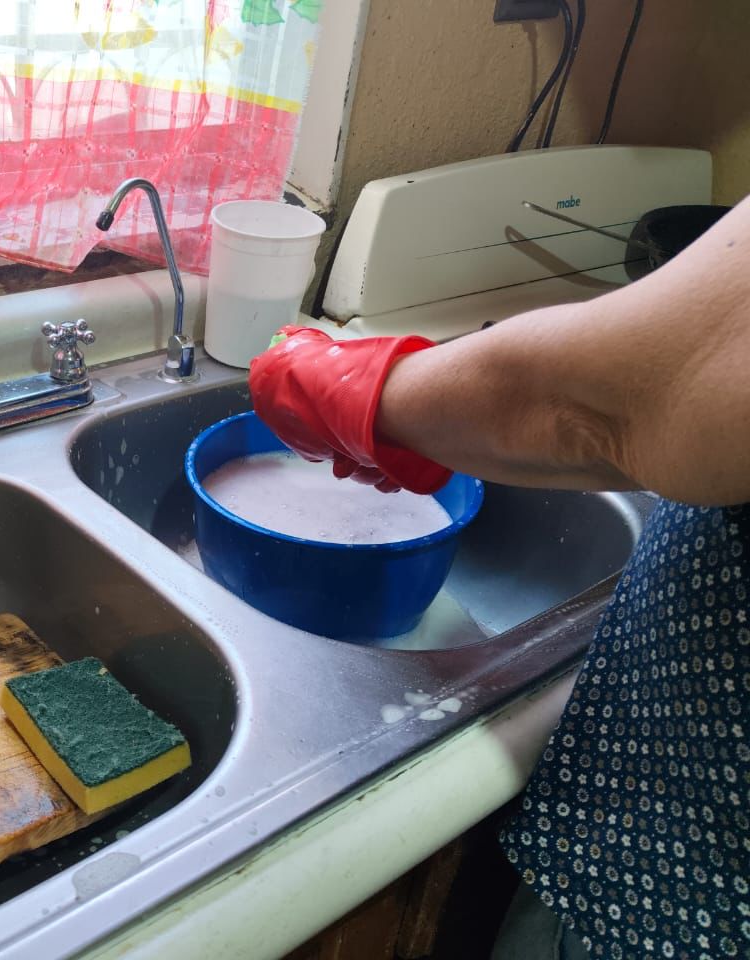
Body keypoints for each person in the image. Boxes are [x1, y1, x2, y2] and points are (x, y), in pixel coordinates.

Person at [248, 196, 750, 960]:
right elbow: (637, 431)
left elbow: (604, 405)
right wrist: (414, 422)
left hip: (677, 886)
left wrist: (347, 386)